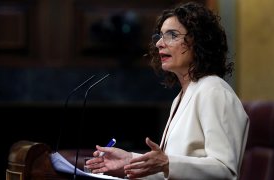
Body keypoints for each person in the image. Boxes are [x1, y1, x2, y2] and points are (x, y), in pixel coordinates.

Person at [86, 1, 249, 179]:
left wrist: (166, 163)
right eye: (160, 36)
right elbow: (172, 172)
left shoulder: (214, 91)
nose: (159, 44)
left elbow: (225, 170)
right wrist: (130, 162)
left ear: (198, 40)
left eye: (172, 35)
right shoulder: (183, 95)